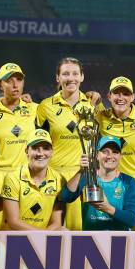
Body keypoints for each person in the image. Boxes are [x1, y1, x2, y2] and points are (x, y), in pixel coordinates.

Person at [36, 57, 101, 231]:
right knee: (51, 231)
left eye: (75, 73)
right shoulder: (45, 107)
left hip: (85, 177)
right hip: (54, 177)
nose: (70, 78)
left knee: (80, 230)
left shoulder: (94, 106)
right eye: (65, 73)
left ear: (82, 77)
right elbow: (37, 140)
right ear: (57, 78)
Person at [0, 62, 38, 230]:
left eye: (19, 80)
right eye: (9, 80)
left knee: (24, 232)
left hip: (26, 179)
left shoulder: (35, 109)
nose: (15, 84)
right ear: (0, 84)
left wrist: (90, 97)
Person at [96, 76, 135, 230]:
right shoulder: (101, 117)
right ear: (109, 96)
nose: (121, 98)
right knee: (108, 235)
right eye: (116, 93)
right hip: (110, 186)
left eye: (126, 94)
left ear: (133, 97)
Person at [62, 136, 135, 231]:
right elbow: (66, 197)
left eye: (115, 152)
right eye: (105, 151)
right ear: (96, 155)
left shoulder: (129, 182)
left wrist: (108, 208)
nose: (110, 156)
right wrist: (81, 171)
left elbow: (132, 220)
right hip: (90, 240)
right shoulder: (87, 177)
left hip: (119, 240)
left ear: (120, 156)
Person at [1, 129, 66, 230]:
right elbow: (13, 221)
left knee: (63, 230)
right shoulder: (12, 178)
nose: (41, 153)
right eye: (35, 148)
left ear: (52, 152)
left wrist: (42, 239)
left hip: (43, 239)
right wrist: (42, 237)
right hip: (14, 239)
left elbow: (56, 223)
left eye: (46, 148)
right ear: (27, 151)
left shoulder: (59, 179)